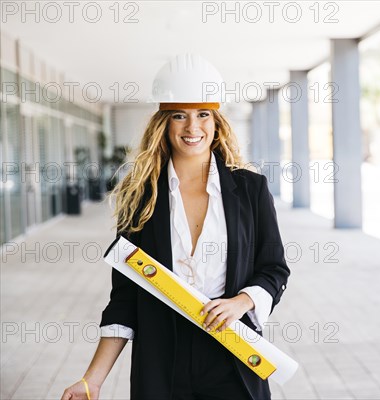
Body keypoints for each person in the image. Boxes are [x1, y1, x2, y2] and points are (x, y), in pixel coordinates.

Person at [61, 54, 290, 400]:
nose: (192, 127)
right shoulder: (141, 197)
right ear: (163, 123)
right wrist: (92, 380)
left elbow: (274, 269)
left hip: (233, 357)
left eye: (203, 115)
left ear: (216, 122)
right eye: (179, 115)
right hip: (161, 362)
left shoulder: (250, 190)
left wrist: (242, 301)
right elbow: (125, 297)